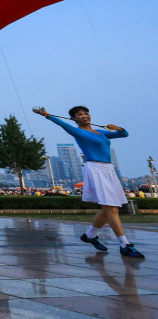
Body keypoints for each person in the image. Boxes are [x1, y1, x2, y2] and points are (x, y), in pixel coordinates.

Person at [38, 106, 142, 258]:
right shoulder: (78, 132)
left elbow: (124, 134)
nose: (84, 116)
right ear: (74, 119)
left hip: (109, 170)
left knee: (109, 209)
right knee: (111, 209)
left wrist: (117, 127)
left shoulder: (101, 132)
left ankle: (90, 235)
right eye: (79, 114)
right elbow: (63, 124)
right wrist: (48, 116)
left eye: (86, 113)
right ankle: (125, 244)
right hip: (95, 168)